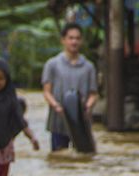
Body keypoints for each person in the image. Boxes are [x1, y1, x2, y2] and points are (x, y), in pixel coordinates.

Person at [42, 22, 98, 151]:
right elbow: (46, 92)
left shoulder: (88, 67)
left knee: (84, 158)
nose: (74, 42)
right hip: (58, 122)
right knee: (59, 159)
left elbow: (93, 93)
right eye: (71, 38)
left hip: (81, 122)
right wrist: (56, 106)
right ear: (63, 40)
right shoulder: (52, 64)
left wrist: (88, 106)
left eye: (77, 38)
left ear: (82, 41)